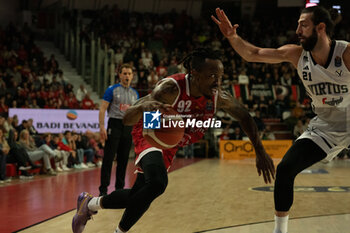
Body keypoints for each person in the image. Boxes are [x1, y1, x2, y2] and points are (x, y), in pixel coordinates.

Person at [72, 48, 275, 233]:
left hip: (171, 143)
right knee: (158, 183)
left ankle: (89, 203)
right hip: (151, 132)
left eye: (220, 76)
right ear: (194, 73)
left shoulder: (217, 96)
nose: (217, 82)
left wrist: (260, 150)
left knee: (141, 193)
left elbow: (245, 117)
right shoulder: (170, 89)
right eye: (211, 76)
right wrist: (146, 109)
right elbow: (128, 119)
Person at [212, 6, 347, 233]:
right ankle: (280, 231)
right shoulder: (297, 55)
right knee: (285, 169)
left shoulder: (345, 54)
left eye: (303, 25)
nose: (297, 30)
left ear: (321, 27)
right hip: (325, 127)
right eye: (298, 24)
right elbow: (253, 54)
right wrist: (232, 37)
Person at [98, 63, 139, 196]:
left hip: (128, 127)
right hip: (114, 125)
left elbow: (137, 113)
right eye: (124, 73)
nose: (127, 76)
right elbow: (103, 108)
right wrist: (102, 127)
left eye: (129, 74)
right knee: (108, 158)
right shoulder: (112, 90)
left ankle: (119, 190)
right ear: (119, 75)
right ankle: (103, 190)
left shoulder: (135, 94)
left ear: (132, 76)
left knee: (124, 159)